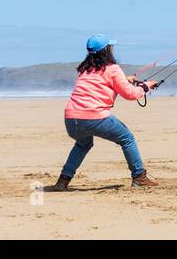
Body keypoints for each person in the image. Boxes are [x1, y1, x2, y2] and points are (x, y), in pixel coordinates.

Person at [51, 34, 158, 191]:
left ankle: (63, 181)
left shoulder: (84, 69)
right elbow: (130, 95)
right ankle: (139, 177)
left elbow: (100, 83)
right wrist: (146, 86)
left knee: (83, 144)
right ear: (107, 50)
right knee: (127, 139)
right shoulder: (113, 69)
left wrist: (125, 79)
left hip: (71, 118)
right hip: (94, 117)